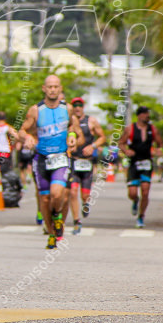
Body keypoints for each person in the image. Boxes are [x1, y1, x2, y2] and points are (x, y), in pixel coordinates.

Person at [19, 75, 82, 249]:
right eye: (50, 87)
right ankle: (52, 233)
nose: (53, 89)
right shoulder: (36, 110)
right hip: (41, 159)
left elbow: (73, 128)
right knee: (45, 199)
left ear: (60, 88)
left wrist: (71, 136)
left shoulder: (67, 109)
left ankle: (57, 217)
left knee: (57, 194)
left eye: (56, 87)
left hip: (61, 158)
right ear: (44, 88)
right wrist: (28, 137)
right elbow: (22, 130)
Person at [119, 106, 163, 228]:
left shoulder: (153, 129)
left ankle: (141, 216)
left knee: (145, 190)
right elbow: (121, 143)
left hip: (146, 163)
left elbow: (160, 143)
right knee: (132, 193)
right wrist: (126, 151)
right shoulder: (130, 129)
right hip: (134, 163)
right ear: (139, 115)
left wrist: (159, 150)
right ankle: (135, 201)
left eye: (148, 113)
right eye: (144, 114)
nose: (147, 116)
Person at [67, 96, 105, 234]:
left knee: (84, 195)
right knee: (72, 192)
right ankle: (76, 221)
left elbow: (102, 137)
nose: (77, 108)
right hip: (73, 161)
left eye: (80, 105)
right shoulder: (69, 122)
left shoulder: (91, 121)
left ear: (83, 107)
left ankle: (85, 203)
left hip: (86, 162)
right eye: (75, 105)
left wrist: (93, 146)